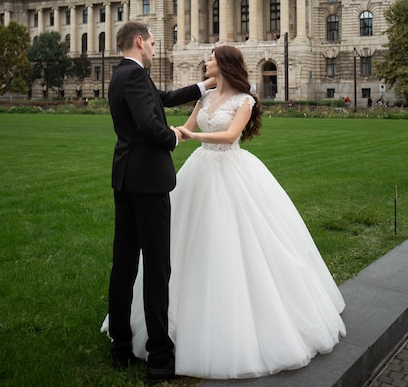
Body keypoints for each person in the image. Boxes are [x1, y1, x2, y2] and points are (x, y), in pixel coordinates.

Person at [128, 44, 346, 379]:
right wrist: (167, 134)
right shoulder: (205, 97)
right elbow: (185, 128)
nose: (206, 61)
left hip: (230, 168)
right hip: (199, 168)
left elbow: (230, 136)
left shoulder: (245, 101)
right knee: (187, 240)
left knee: (235, 240)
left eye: (211, 58)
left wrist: (191, 134)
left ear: (225, 64)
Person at [103, 21, 215, 382]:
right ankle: (160, 356)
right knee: (156, 268)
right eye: (152, 43)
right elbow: (151, 125)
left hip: (126, 178)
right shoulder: (134, 77)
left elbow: (162, 99)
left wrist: (203, 86)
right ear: (139, 42)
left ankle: (120, 345)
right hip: (148, 182)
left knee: (123, 265)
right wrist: (176, 137)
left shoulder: (124, 74)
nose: (154, 48)